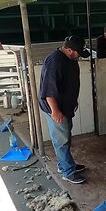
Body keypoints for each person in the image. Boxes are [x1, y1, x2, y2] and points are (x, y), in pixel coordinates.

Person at [38, 35, 91, 184]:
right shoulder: (55, 62)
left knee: (65, 136)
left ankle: (65, 165)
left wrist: (73, 100)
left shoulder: (70, 59)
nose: (79, 56)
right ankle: (68, 172)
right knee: (61, 140)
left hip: (65, 105)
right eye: (77, 53)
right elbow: (48, 91)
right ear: (68, 49)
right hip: (55, 107)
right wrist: (55, 111)